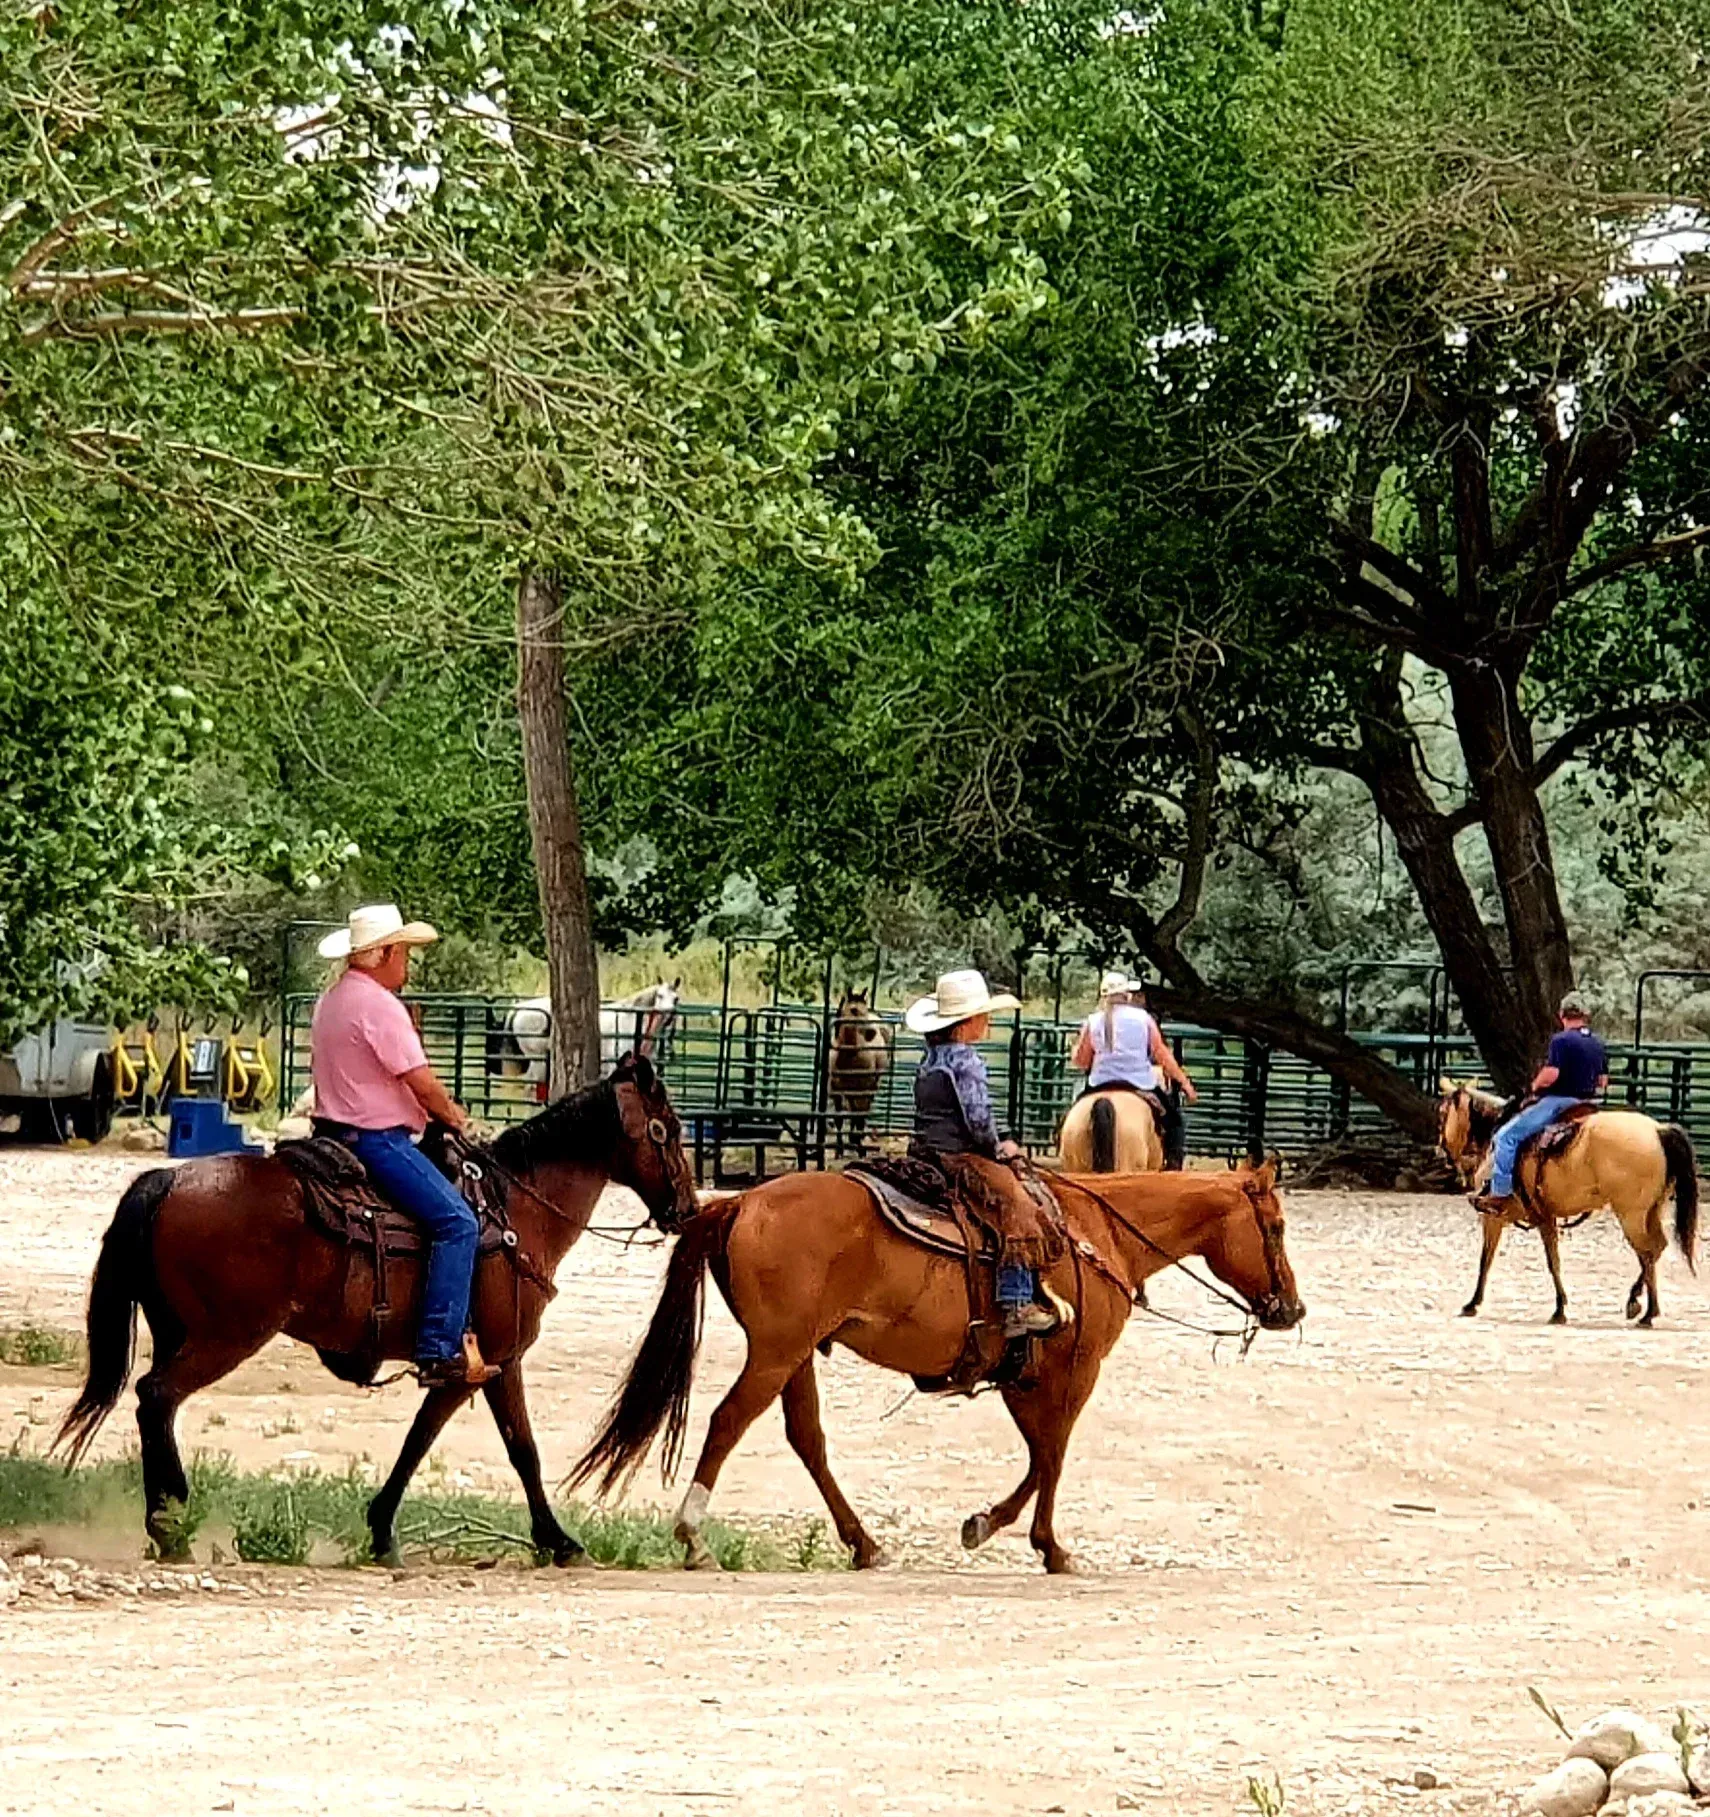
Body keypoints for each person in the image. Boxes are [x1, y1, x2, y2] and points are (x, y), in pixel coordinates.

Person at [310, 904, 498, 1388]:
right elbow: (420, 1081)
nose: (407, 963)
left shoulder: (331, 1000)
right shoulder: (378, 1005)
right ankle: (439, 1348)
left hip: (328, 1136)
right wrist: (455, 1118)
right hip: (375, 1140)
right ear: (385, 953)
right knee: (458, 1223)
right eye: (404, 952)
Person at [906, 969, 1060, 1340]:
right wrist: (999, 1147)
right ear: (967, 1022)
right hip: (958, 1155)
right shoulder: (966, 1060)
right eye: (983, 1015)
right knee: (1019, 1208)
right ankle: (1017, 1301)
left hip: (924, 1149)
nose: (988, 1021)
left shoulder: (931, 1058)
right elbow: (977, 1118)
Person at [1472, 991, 1609, 1218]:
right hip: (1587, 1103)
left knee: (1506, 1137)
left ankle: (1499, 1194)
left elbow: (1552, 1074)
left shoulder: (1561, 1040)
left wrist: (1536, 1084)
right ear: (1585, 1015)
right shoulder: (1597, 1043)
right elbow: (1603, 1081)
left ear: (1562, 1015)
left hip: (1559, 1102)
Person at [1070, 970, 1198, 1105]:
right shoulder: (1143, 1018)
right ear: (1127, 995)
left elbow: (1081, 1061)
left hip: (1100, 1081)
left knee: (1075, 1111)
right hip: (1139, 1081)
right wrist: (1185, 1083)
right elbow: (1162, 1054)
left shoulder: (1093, 1021)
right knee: (1172, 1119)